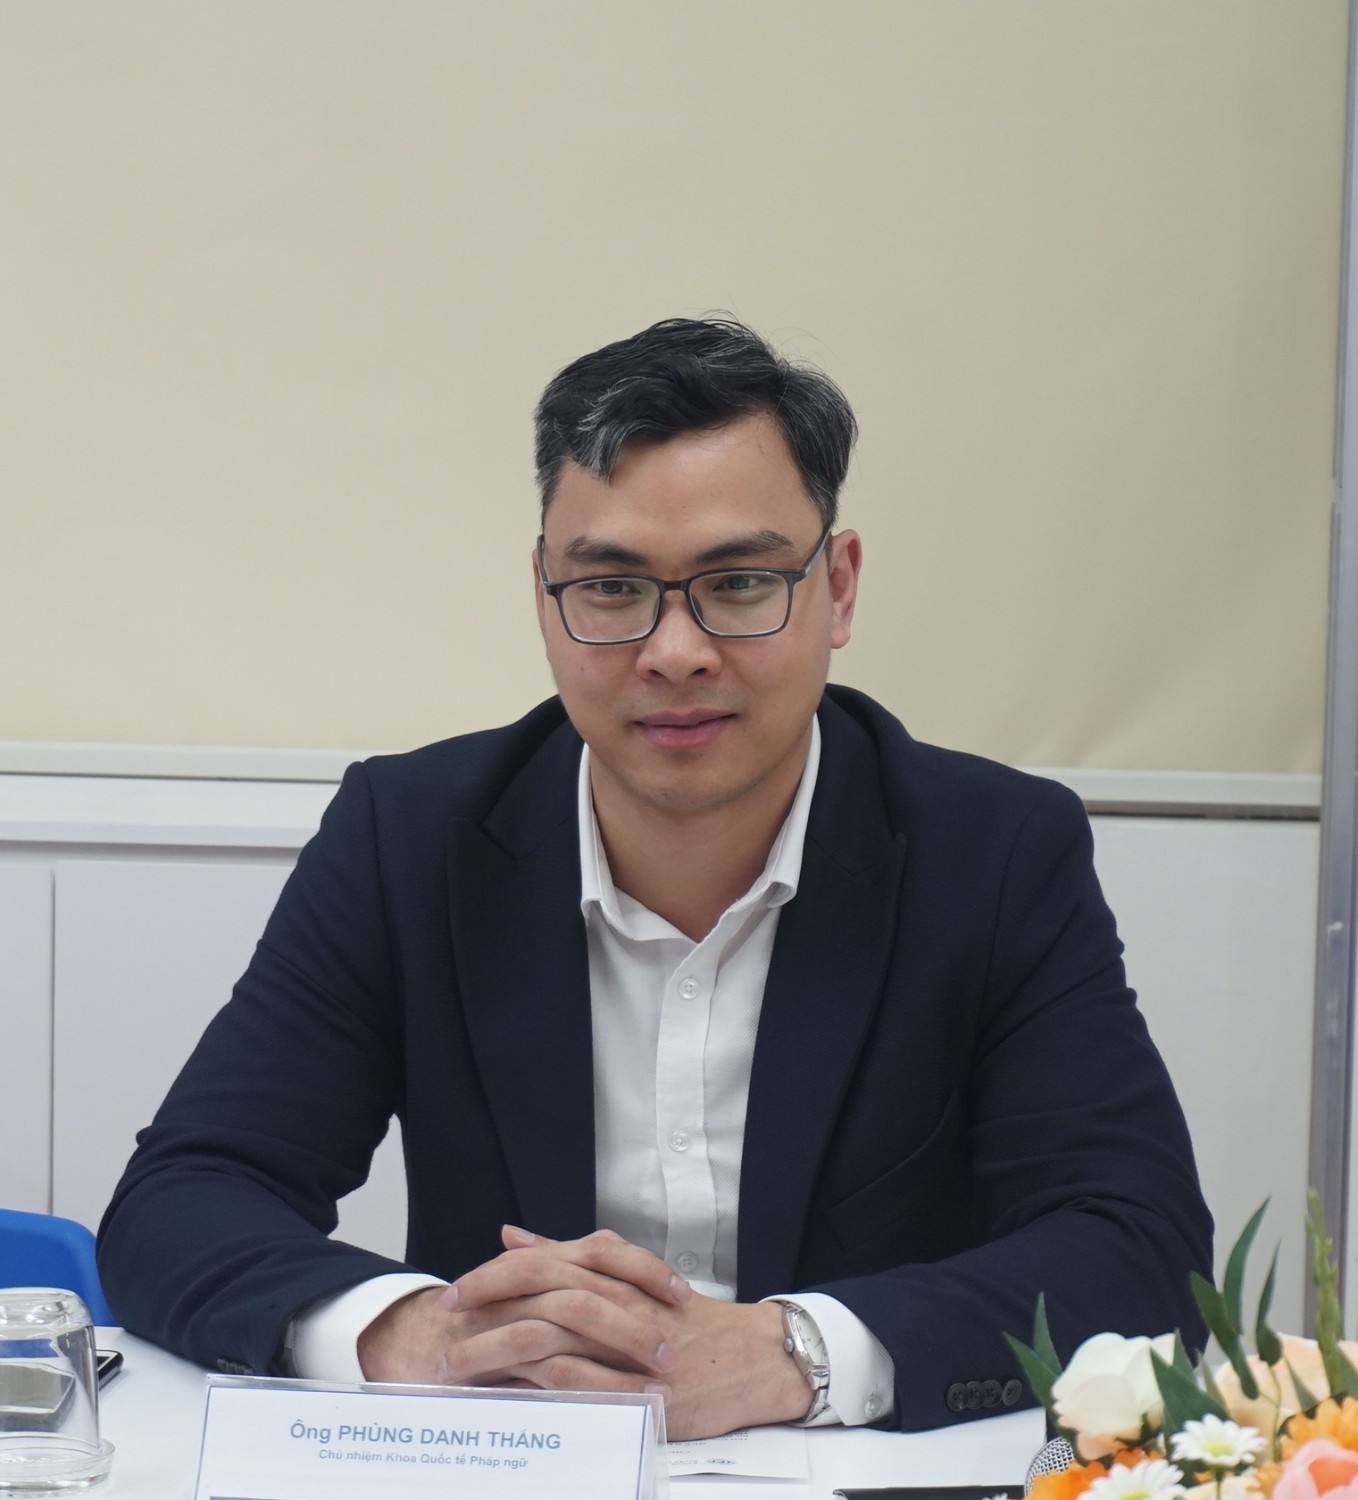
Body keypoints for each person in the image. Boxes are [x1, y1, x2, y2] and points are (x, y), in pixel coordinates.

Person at [98, 317, 1212, 1439]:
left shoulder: (993, 852)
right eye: (612, 588)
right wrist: (418, 1336)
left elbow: (1138, 1247)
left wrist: (792, 1354)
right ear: (544, 597)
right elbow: (183, 1200)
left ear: (838, 589)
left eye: (740, 582)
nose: (674, 651)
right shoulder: (411, 837)